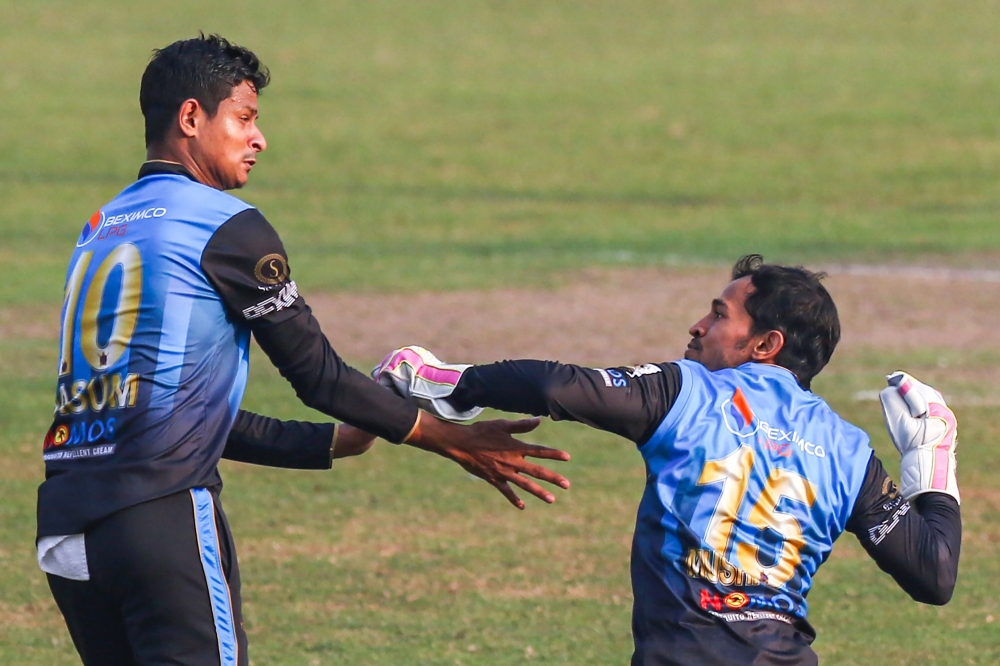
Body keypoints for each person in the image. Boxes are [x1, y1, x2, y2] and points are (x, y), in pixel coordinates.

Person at [37, 34, 569, 666]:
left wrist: (327, 442)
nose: (258, 139)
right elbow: (318, 376)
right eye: (244, 118)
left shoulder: (101, 227)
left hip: (68, 528)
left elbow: (169, 416)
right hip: (161, 518)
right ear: (190, 118)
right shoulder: (226, 226)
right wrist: (443, 436)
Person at [373, 255, 962, 666]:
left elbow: (555, 385)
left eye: (718, 314)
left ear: (765, 345)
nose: (698, 325)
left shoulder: (690, 393)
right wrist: (931, 456)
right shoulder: (849, 452)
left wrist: (444, 383)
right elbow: (934, 574)